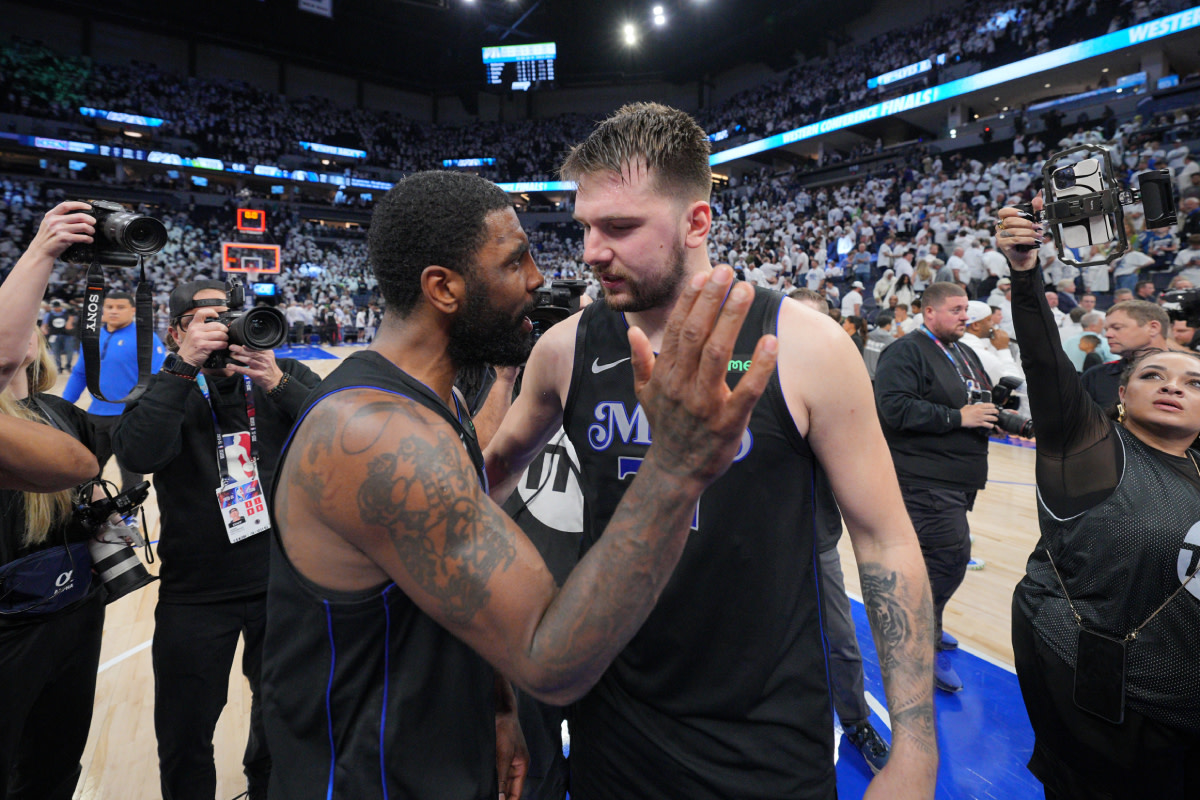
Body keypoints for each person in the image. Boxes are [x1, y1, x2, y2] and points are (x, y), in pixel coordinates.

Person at [262, 169, 778, 800]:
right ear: (444, 288)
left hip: (438, 761)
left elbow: (455, 591)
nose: (538, 279)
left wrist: (498, 703)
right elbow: (549, 657)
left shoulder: (433, 402)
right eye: (515, 262)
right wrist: (676, 467)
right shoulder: (378, 438)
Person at [486, 103, 936, 799]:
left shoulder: (808, 346)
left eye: (620, 227)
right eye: (585, 227)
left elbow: (883, 542)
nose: (590, 251)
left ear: (697, 222)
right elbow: (487, 482)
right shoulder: (566, 347)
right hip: (613, 727)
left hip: (767, 735)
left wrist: (913, 748)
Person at [998, 196, 1200, 799]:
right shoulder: (1093, 452)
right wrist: (1026, 272)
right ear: (1120, 393)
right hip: (1113, 709)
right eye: (1152, 375)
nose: (1171, 387)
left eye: (1193, 382)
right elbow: (1042, 360)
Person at [112, 280, 321, 800]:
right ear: (175, 331)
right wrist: (183, 368)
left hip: (281, 582)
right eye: (206, 319)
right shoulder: (165, 387)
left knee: (282, 716)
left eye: (228, 316)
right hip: (196, 593)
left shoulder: (280, 376)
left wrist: (275, 382)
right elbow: (138, 455)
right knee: (185, 734)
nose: (222, 329)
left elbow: (344, 430)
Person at [874, 282, 995, 694]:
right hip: (922, 478)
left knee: (937, 562)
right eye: (957, 309)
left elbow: (977, 402)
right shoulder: (905, 351)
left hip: (957, 478)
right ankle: (916, 643)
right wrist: (958, 418)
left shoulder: (964, 350)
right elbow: (893, 408)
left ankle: (930, 623)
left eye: (967, 309)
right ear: (929, 312)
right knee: (948, 560)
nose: (966, 316)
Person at [0, 328, 103, 800]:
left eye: (26, 324)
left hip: (75, 612)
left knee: (58, 760)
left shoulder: (64, 414)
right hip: (12, 626)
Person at [62, 291, 167, 491]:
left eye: (120, 307)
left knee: (131, 474)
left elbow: (156, 380)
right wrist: (65, 404)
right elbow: (79, 374)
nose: (114, 311)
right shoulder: (92, 337)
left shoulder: (147, 338)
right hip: (95, 416)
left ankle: (128, 521)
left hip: (129, 417)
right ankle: (89, 514)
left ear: (133, 310)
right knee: (86, 471)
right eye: (109, 307)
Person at [0, 202, 95, 393]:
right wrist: (40, 251)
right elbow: (4, 359)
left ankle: (64, 366)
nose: (23, 334)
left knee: (67, 352)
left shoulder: (61, 411)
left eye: (28, 329)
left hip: (61, 343)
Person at [1081, 301, 1171, 408]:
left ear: (1153, 328)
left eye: (1117, 328)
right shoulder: (1095, 376)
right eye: (1106, 330)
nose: (1108, 335)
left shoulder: (1192, 371)